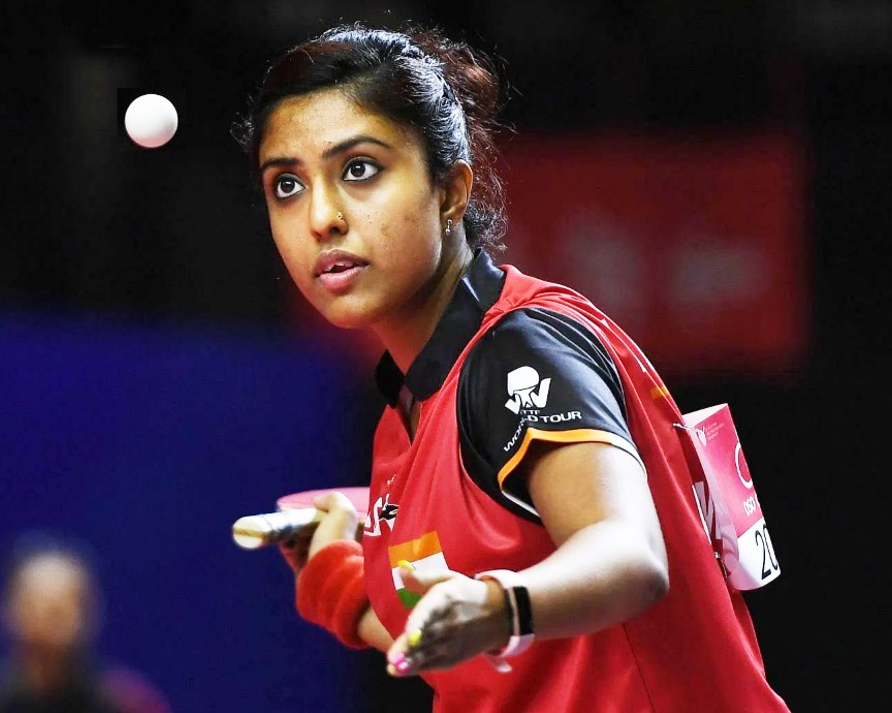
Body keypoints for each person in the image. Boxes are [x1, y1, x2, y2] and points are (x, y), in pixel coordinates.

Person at [232, 23, 792, 712]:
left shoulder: (518, 351)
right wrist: (340, 580)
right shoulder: (408, 417)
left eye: (359, 169)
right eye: (287, 185)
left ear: (449, 190)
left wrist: (499, 605)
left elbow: (628, 554)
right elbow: (464, 646)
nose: (321, 217)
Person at [0, 534, 171, 713]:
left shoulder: (127, 703)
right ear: (10, 609)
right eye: (37, 607)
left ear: (89, 612)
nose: (51, 623)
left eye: (61, 609)